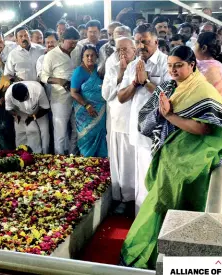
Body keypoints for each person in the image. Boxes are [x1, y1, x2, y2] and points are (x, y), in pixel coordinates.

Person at [121, 45, 222, 269]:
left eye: (179, 66)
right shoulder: (168, 85)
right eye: (170, 66)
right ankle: (157, 251)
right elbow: (145, 118)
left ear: (192, 65)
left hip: (190, 158)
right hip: (169, 153)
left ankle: (176, 258)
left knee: (177, 204)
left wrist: (169, 115)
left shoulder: (202, 90)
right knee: (160, 203)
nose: (173, 70)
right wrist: (160, 113)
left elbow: (204, 129)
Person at [117, 24, 170, 214]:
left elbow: (168, 98)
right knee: (141, 175)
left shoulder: (166, 63)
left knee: (155, 176)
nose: (140, 46)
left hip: (159, 131)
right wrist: (135, 83)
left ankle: (155, 218)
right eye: (137, 41)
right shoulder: (133, 65)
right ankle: (141, 218)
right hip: (138, 130)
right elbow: (121, 97)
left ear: (156, 41)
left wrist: (147, 83)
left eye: (145, 41)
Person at [102, 37, 137, 211]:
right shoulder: (113, 68)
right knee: (118, 160)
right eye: (119, 50)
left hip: (134, 121)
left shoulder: (140, 66)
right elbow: (106, 94)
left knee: (131, 161)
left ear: (134, 50)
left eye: (125, 49)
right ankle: (121, 196)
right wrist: (120, 74)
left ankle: (132, 197)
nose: (122, 53)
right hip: (117, 120)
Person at [41, 27, 81, 155]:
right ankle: (59, 161)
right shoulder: (51, 55)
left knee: (76, 130)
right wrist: (60, 81)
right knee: (61, 133)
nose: (73, 46)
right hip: (60, 99)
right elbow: (43, 76)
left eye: (75, 43)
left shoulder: (78, 49)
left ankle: (72, 157)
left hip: (78, 97)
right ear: (62, 40)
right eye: (71, 43)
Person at [70, 44, 107, 157]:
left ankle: (101, 164)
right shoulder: (79, 71)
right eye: (87, 56)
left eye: (92, 55)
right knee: (86, 137)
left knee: (100, 135)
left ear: (97, 57)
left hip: (101, 111)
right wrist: (87, 105)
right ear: (82, 57)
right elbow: (74, 92)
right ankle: (86, 164)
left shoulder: (100, 70)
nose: (90, 58)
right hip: (84, 111)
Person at [5, 82, 50, 153]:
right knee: (20, 133)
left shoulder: (38, 90)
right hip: (19, 111)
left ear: (27, 93)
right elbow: (9, 109)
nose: (22, 101)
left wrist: (33, 117)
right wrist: (15, 115)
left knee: (44, 133)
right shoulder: (8, 93)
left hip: (39, 110)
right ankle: (21, 154)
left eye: (23, 99)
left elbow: (46, 108)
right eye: (20, 101)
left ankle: (42, 155)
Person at [195, 32, 222, 109]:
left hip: (210, 116)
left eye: (196, 44)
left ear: (204, 48)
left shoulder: (209, 68)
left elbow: (196, 96)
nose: (194, 47)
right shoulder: (215, 65)